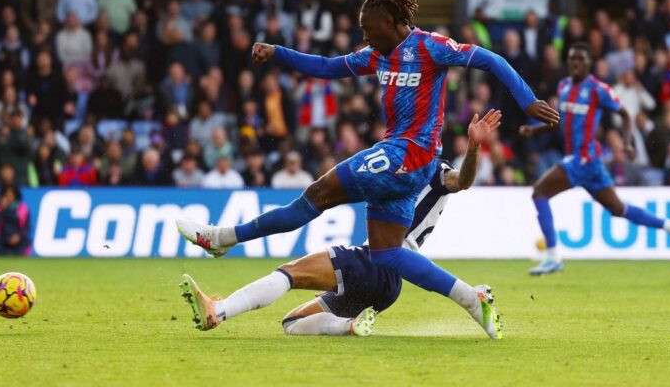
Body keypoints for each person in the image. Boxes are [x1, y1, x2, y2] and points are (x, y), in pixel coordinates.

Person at [177, 0, 557, 333]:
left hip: (406, 154)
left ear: (391, 21)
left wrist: (526, 100)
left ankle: (222, 238)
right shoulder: (378, 55)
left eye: (369, 27)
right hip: (409, 166)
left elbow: (490, 59)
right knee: (388, 253)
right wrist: (279, 53)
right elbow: (327, 68)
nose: (364, 35)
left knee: (314, 197)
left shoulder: (431, 47)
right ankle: (472, 301)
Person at [180, 110, 503, 337]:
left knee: (290, 273)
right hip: (389, 287)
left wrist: (473, 147)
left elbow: (462, 181)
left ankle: (218, 312)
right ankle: (349, 326)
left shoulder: (435, 170)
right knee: (292, 322)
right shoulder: (395, 165)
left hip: (378, 260)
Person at [519, 43, 670, 276]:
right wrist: (536, 130)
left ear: (589, 64)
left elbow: (624, 114)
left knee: (539, 192)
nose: (575, 64)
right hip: (587, 163)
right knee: (618, 209)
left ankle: (553, 257)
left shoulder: (598, 89)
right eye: (571, 59)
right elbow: (559, 121)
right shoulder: (564, 86)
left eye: (580, 60)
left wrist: (628, 142)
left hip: (585, 158)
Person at [0, 185, 32, 256]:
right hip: (3, 238)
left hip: (18, 238)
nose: (9, 198)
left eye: (11, 195)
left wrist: (18, 236)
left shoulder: (22, 208)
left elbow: (26, 227)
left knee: (27, 241)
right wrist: (3, 209)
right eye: (6, 195)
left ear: (15, 196)